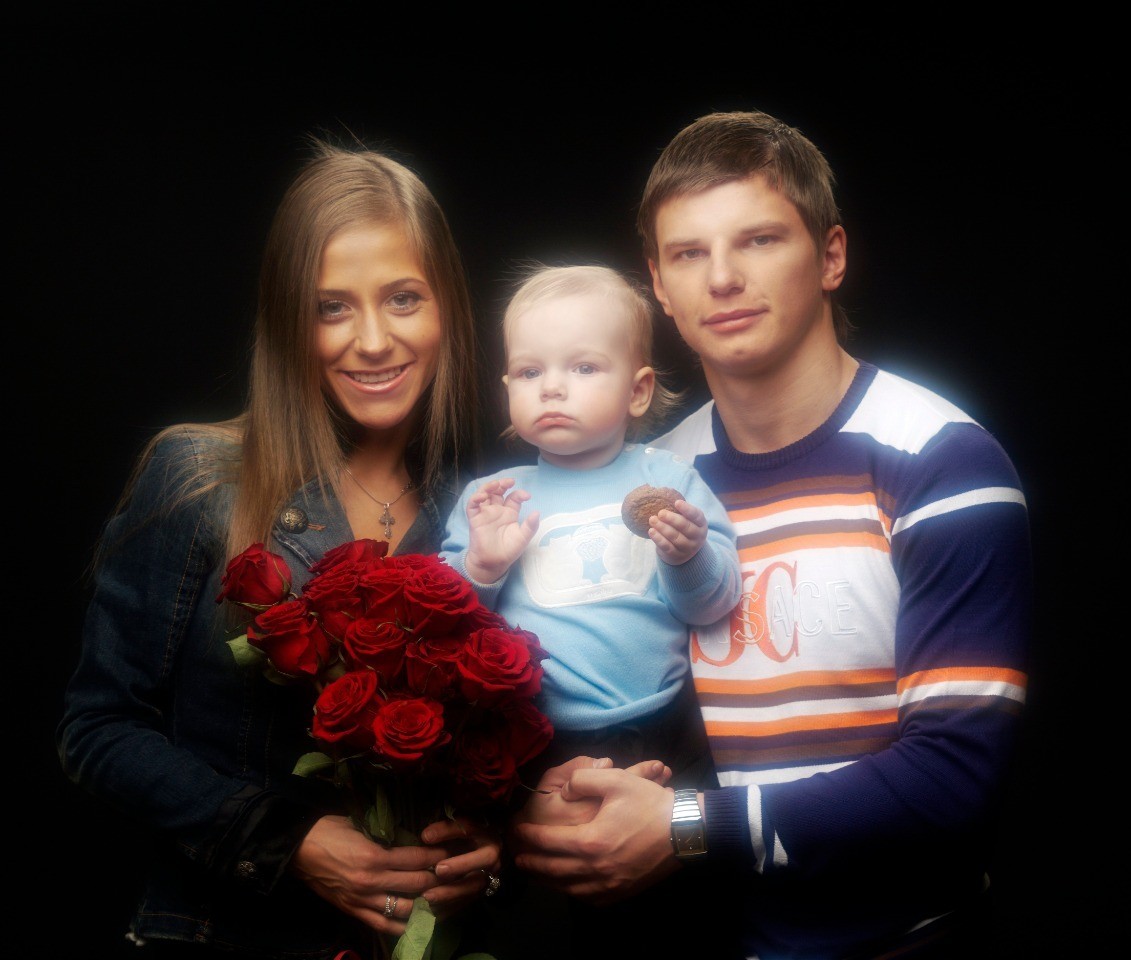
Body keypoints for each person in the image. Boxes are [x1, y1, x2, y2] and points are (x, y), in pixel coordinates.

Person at [509, 111, 1034, 960]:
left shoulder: (941, 462)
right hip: (696, 943)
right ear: (658, 285)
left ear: (830, 255)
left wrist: (688, 824)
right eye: (689, 253)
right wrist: (562, 782)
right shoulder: (647, 484)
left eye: (758, 240)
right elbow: (601, 686)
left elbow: (955, 780)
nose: (722, 278)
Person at [57, 142, 503, 959]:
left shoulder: (487, 516)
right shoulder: (199, 479)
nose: (373, 339)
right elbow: (96, 730)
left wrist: (483, 856)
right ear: (289, 321)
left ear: (447, 307)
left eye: (404, 298)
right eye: (332, 307)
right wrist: (285, 840)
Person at [439, 263, 742, 958]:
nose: (552, 387)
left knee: (684, 913)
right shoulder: (495, 498)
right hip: (541, 741)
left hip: (670, 729)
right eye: (529, 371)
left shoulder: (668, 479)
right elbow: (450, 626)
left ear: (638, 390)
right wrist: (482, 567)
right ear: (507, 388)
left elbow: (714, 606)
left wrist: (687, 555)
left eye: (582, 367)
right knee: (557, 908)